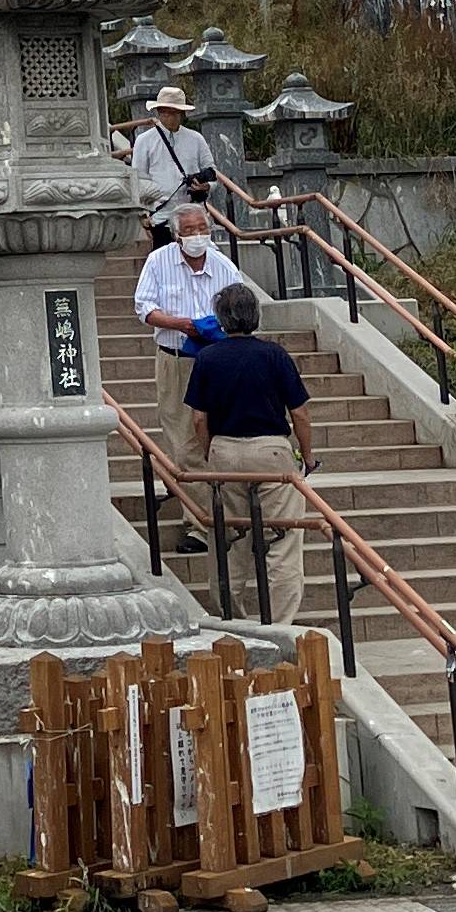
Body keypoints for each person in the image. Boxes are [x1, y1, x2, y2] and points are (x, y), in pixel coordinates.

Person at [183, 278, 316, 623]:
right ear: (255, 315)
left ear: (221, 319)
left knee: (228, 537)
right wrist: (308, 454)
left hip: (225, 451)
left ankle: (235, 618)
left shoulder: (208, 358)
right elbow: (299, 412)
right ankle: (281, 622)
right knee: (283, 538)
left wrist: (210, 450)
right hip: (272, 452)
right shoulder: (274, 355)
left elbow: (199, 418)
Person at [133, 205, 250, 363]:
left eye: (203, 228)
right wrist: (178, 324)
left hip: (219, 357)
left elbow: (241, 308)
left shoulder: (225, 266)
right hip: (175, 357)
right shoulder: (157, 261)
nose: (197, 235)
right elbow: (144, 307)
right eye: (189, 230)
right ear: (177, 235)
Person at [125, 83, 219, 243]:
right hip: (160, 214)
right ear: (159, 112)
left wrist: (206, 186)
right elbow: (138, 179)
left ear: (182, 113)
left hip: (192, 211)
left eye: (175, 112)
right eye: (165, 112)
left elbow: (212, 173)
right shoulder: (144, 141)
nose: (170, 116)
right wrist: (142, 214)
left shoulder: (196, 139)